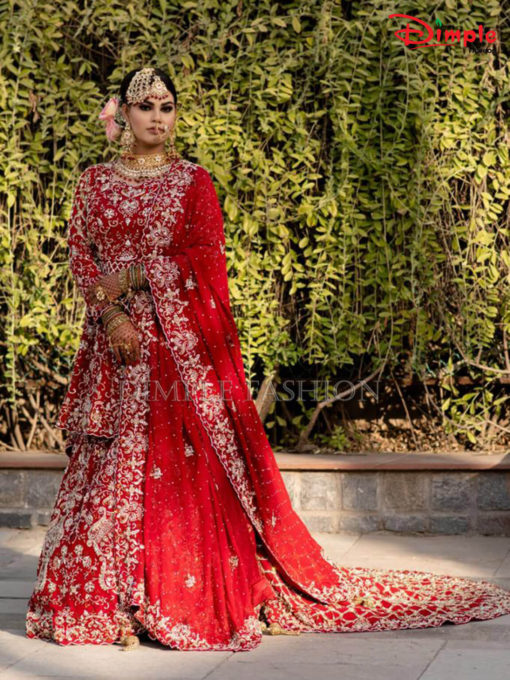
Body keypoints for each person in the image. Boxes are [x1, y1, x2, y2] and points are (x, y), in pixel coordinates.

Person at [25, 66, 510, 652]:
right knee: (106, 471)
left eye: (167, 106)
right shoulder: (94, 183)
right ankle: (107, 603)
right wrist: (113, 315)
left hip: (178, 356)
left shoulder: (192, 182)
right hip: (114, 349)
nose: (157, 116)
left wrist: (135, 276)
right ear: (121, 113)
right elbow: (81, 255)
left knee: (177, 473)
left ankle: (168, 599)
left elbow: (206, 262)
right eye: (144, 105)